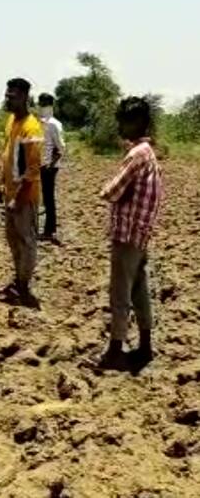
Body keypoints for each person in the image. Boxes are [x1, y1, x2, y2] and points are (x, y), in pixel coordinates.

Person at [98, 97, 163, 370]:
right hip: (141, 234)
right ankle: (145, 345)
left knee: (120, 293)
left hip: (127, 235)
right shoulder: (149, 153)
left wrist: (104, 190)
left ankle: (115, 349)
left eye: (127, 121)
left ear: (140, 123)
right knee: (139, 290)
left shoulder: (137, 154)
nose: (122, 126)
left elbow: (111, 191)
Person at [0, 78, 43, 308]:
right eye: (7, 95)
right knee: (13, 240)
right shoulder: (11, 121)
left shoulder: (31, 127)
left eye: (12, 96)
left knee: (26, 241)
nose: (8, 99)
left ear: (24, 97)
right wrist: (1, 184)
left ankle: (24, 285)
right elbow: (7, 155)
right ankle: (18, 278)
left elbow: (33, 169)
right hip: (10, 193)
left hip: (24, 197)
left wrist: (17, 198)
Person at [38, 93, 66, 243]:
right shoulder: (44, 122)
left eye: (43, 103)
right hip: (43, 165)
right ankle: (48, 229)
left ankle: (50, 230)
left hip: (49, 166)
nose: (41, 106)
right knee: (46, 198)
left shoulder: (52, 124)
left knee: (48, 199)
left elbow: (61, 147)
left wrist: (50, 164)